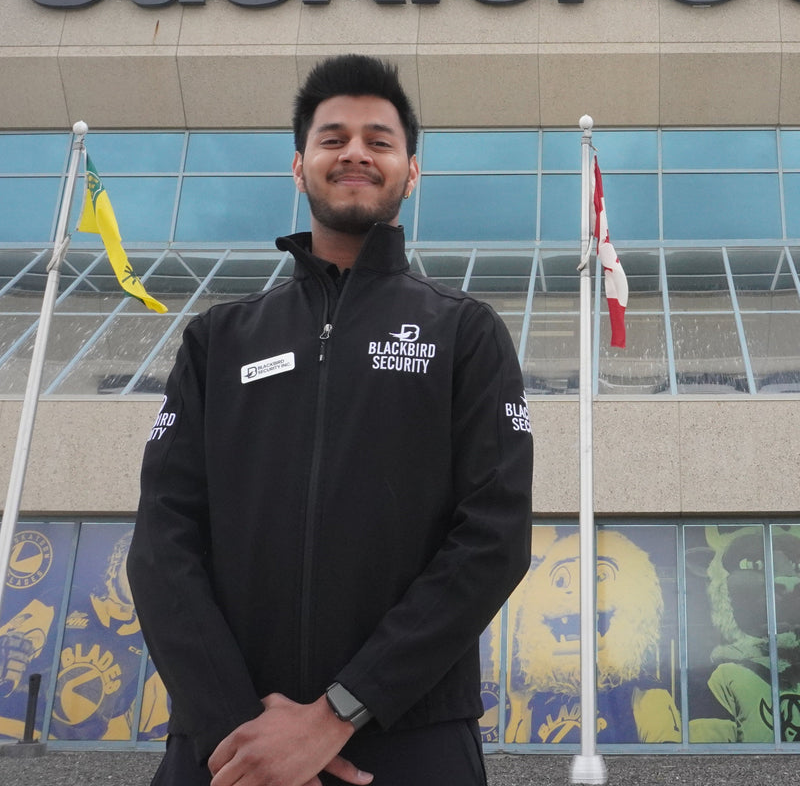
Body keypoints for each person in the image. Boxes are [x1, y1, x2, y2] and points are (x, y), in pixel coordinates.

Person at [127, 54, 534, 786]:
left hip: (411, 742)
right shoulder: (219, 339)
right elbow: (164, 544)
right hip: (223, 749)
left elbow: (493, 542)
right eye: (333, 137)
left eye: (379, 140)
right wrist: (244, 736)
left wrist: (337, 713)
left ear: (412, 172)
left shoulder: (464, 332)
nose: (355, 152)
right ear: (299, 165)